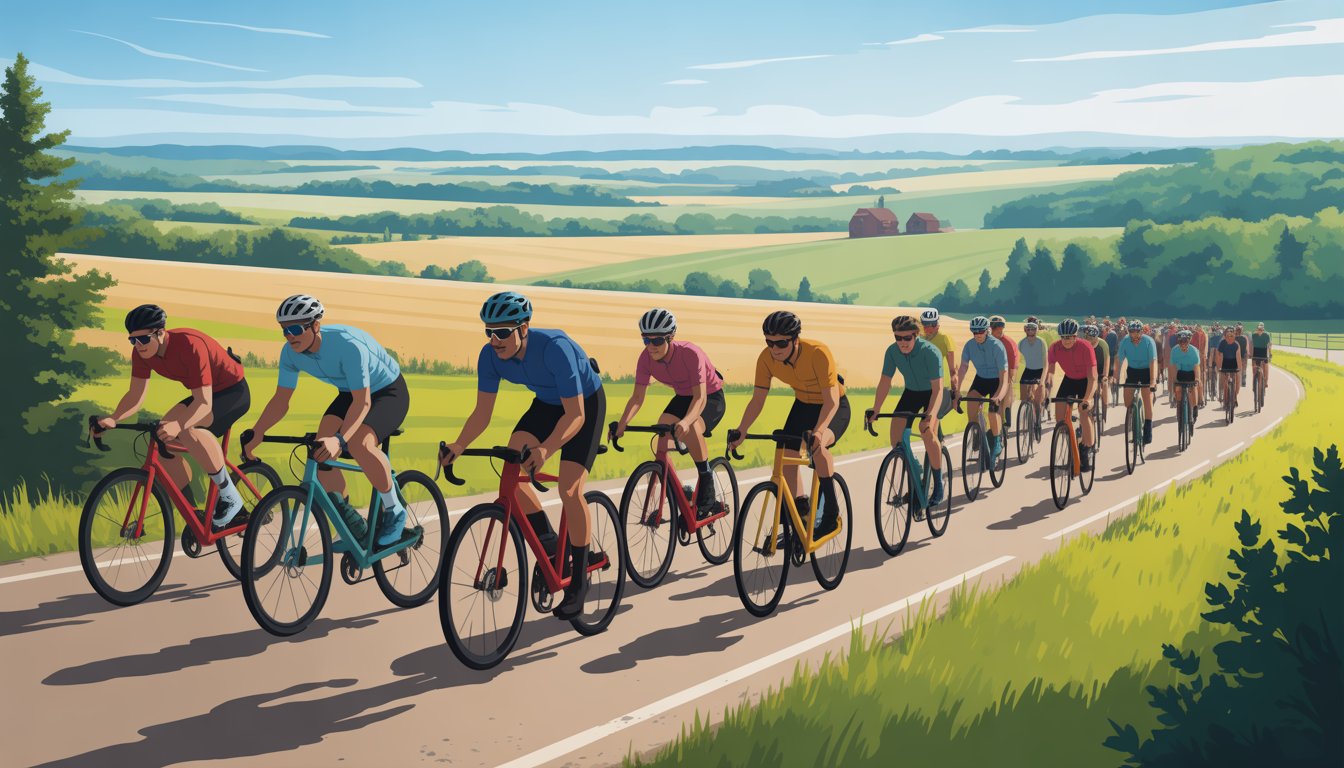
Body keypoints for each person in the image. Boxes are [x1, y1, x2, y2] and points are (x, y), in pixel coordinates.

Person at [440, 291, 606, 619]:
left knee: (569, 488)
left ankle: (579, 580)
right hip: (545, 404)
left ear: (524, 328)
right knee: (511, 472)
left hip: (583, 403)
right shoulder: (489, 357)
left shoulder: (556, 349)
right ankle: (547, 542)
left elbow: (576, 416)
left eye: (503, 332)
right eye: (489, 331)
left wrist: (546, 449)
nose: (495, 340)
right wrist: (458, 445)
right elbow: (482, 413)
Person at [243, 295, 410, 548]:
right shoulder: (290, 353)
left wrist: (340, 439)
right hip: (349, 392)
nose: (290, 336)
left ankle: (394, 509)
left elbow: (363, 403)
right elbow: (281, 400)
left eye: (296, 329)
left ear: (315, 326)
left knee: (359, 444)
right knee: (320, 452)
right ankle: (351, 522)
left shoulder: (348, 346)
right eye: (285, 330)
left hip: (387, 391)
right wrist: (258, 431)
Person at [93, 304, 252, 527]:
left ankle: (229, 495)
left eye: (144, 339)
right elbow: (136, 394)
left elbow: (204, 404)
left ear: (160, 333)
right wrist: (114, 418)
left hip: (232, 392)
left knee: (188, 429)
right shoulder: (142, 352)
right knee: (161, 438)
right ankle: (193, 514)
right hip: (203, 394)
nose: (138, 345)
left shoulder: (189, 344)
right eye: (132, 340)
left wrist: (178, 426)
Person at [729, 311, 850, 539]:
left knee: (818, 446)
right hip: (803, 405)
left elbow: (832, 400)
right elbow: (757, 400)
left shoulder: (818, 353)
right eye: (769, 342)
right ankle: (800, 511)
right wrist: (742, 429)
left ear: (795, 339)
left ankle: (831, 513)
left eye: (781, 342)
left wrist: (819, 430)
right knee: (786, 456)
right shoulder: (766, 359)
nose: (775, 348)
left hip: (833, 406)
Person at [613, 308, 726, 518]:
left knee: (691, 426)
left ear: (670, 337)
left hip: (710, 397)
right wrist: (622, 423)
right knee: (662, 430)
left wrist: (685, 422)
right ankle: (678, 488)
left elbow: (700, 398)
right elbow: (637, 397)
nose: (651, 347)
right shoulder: (645, 359)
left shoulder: (690, 353)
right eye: (646, 340)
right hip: (683, 397)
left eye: (657, 341)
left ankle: (706, 478)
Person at [868, 315, 946, 511]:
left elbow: (937, 390)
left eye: (907, 338)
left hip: (932, 394)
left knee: (926, 431)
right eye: (898, 338)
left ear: (916, 335)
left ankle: (938, 483)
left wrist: (930, 415)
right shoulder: (892, 352)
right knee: (896, 438)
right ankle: (915, 467)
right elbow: (885, 381)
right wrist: (876, 409)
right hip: (911, 393)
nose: (902, 342)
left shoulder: (930, 352)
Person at [1043, 320, 1097, 471]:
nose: (1066, 340)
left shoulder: (1085, 347)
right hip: (1070, 379)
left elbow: (1093, 378)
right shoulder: (1055, 348)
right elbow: (1051, 372)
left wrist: (1087, 398)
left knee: (1084, 412)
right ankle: (1072, 445)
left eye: (1069, 337)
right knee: (1060, 419)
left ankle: (1086, 448)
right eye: (1063, 337)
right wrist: (1047, 387)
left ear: (1075, 336)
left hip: (1087, 380)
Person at [954, 316, 1009, 464]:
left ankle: (997, 441)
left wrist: (998, 396)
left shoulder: (997, 346)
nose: (977, 334)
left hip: (997, 380)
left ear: (987, 331)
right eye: (974, 332)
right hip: (981, 379)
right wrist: (957, 391)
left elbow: (1004, 377)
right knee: (971, 405)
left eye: (980, 331)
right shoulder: (969, 345)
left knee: (993, 411)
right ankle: (977, 432)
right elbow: (963, 368)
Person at [1114, 320, 1159, 444]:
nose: (1134, 335)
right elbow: (1119, 359)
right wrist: (1116, 376)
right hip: (1132, 371)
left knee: (1147, 399)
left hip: (1147, 371)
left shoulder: (1149, 341)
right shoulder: (1125, 341)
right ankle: (1134, 419)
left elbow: (1153, 362)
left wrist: (1153, 381)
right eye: (1131, 332)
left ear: (1141, 331)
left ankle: (1148, 429)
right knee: (1127, 402)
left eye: (1136, 332)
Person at [920, 309, 957, 419]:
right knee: (928, 414)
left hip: (940, 381)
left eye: (931, 324)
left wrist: (955, 389)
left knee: (932, 416)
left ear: (937, 324)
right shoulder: (920, 338)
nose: (927, 328)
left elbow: (952, 366)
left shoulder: (945, 338)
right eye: (925, 325)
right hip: (924, 383)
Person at [989, 315, 1018, 429]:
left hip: (1008, 371)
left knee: (1003, 400)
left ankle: (1002, 425)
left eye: (1001, 326)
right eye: (996, 327)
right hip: (993, 373)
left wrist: (1010, 379)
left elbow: (1013, 363)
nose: (999, 329)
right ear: (990, 328)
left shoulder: (1008, 342)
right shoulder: (988, 341)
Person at [1018, 317, 1047, 426]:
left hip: (1040, 370)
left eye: (1033, 330)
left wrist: (1042, 380)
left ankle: (1037, 421)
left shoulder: (1041, 342)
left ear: (1037, 330)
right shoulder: (1021, 343)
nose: (1030, 332)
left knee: (1037, 400)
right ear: (1025, 330)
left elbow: (1046, 363)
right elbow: (1018, 361)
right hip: (1028, 369)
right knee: (1024, 396)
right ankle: (1025, 406)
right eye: (1028, 329)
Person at [1168, 329, 1203, 421]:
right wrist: (1174, 380)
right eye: (1181, 342)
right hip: (1181, 372)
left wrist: (1197, 378)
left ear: (1189, 340)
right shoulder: (1174, 350)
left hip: (1192, 372)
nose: (1183, 344)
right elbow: (1172, 367)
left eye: (1185, 341)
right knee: (1178, 388)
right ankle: (1179, 405)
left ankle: (1195, 407)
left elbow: (1196, 367)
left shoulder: (1194, 351)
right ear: (1178, 341)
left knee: (1193, 387)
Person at [1083, 324, 1110, 415]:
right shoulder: (1084, 344)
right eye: (1088, 337)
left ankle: (1105, 405)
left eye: (1092, 337)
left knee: (1105, 384)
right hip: (1090, 368)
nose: (1090, 339)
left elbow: (1107, 360)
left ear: (1096, 337)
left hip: (1101, 367)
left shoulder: (1103, 344)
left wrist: (1105, 375)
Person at [1216, 325, 1244, 408]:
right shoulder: (1222, 343)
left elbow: (1238, 357)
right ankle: (1223, 396)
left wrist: (1240, 370)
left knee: (1235, 380)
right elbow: (1218, 355)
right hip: (1225, 363)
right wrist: (1218, 368)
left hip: (1234, 363)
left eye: (1231, 335)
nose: (1229, 337)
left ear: (1234, 335)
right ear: (1225, 336)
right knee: (1223, 378)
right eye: (1228, 335)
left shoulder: (1236, 344)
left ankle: (1234, 397)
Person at [1251, 322, 1272, 391]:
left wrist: (1270, 353)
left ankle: (1266, 382)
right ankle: (1254, 383)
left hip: (1263, 353)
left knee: (1266, 366)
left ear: (1263, 329)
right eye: (1259, 329)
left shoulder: (1267, 335)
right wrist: (1251, 354)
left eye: (1261, 329)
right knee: (1254, 368)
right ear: (1257, 329)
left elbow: (1269, 345)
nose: (1260, 331)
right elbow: (1252, 345)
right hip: (1256, 353)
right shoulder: (1253, 335)